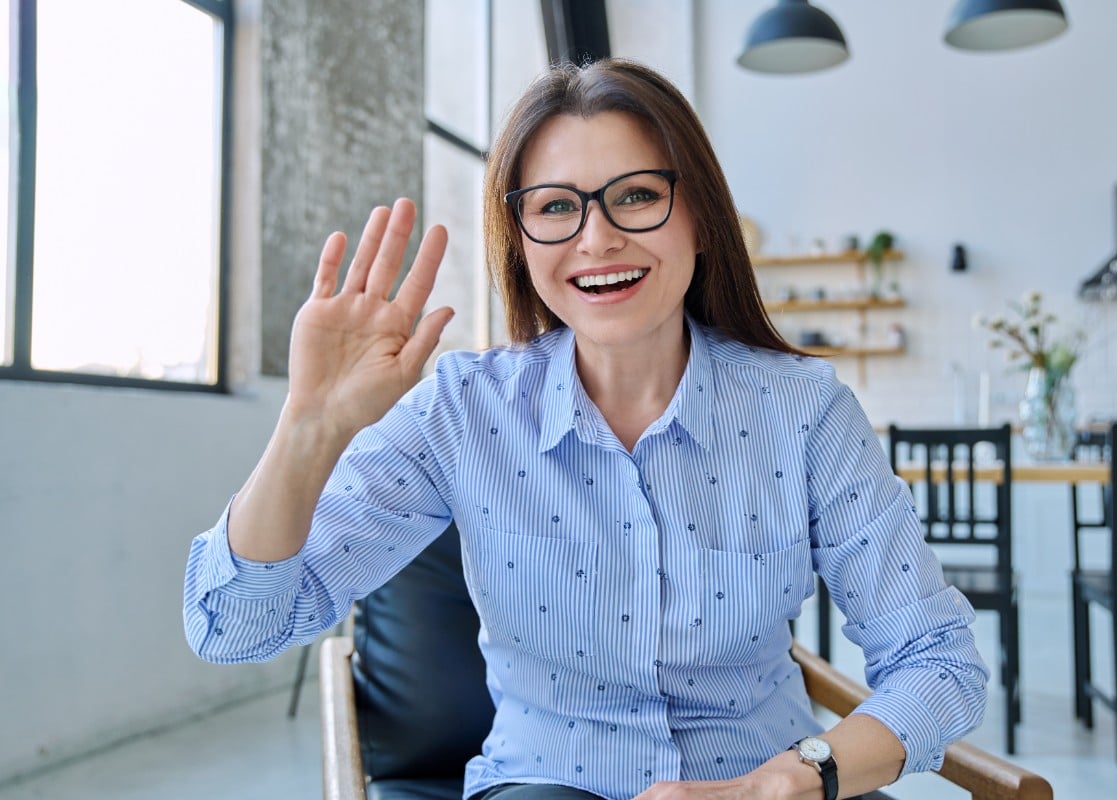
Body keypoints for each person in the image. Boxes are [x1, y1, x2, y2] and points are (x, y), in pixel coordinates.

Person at [183, 58, 987, 800]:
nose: (597, 238)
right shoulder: (463, 411)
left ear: (701, 219)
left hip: (768, 780)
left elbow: (939, 662)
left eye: (636, 194)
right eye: (556, 208)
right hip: (547, 779)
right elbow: (235, 627)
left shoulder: (804, 410)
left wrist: (786, 782)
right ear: (522, 241)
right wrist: (308, 428)